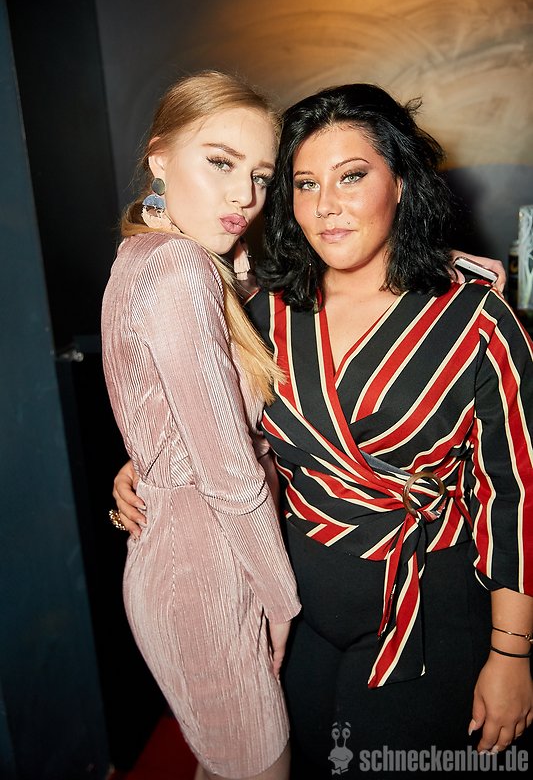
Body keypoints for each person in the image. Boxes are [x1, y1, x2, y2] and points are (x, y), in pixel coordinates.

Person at [112, 81, 530, 777]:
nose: (326, 205)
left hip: (423, 604)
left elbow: (514, 496)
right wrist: (149, 467)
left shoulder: (477, 322)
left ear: (400, 182)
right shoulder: (262, 309)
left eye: (352, 176)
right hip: (294, 601)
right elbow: (224, 427)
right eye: (305, 183)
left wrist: (511, 654)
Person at [100, 69, 302, 780]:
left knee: (225, 764)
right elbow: (228, 469)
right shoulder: (180, 268)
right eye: (220, 162)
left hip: (181, 563)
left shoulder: (143, 255)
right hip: (206, 576)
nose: (243, 195)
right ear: (158, 158)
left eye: (260, 177)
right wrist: (281, 599)